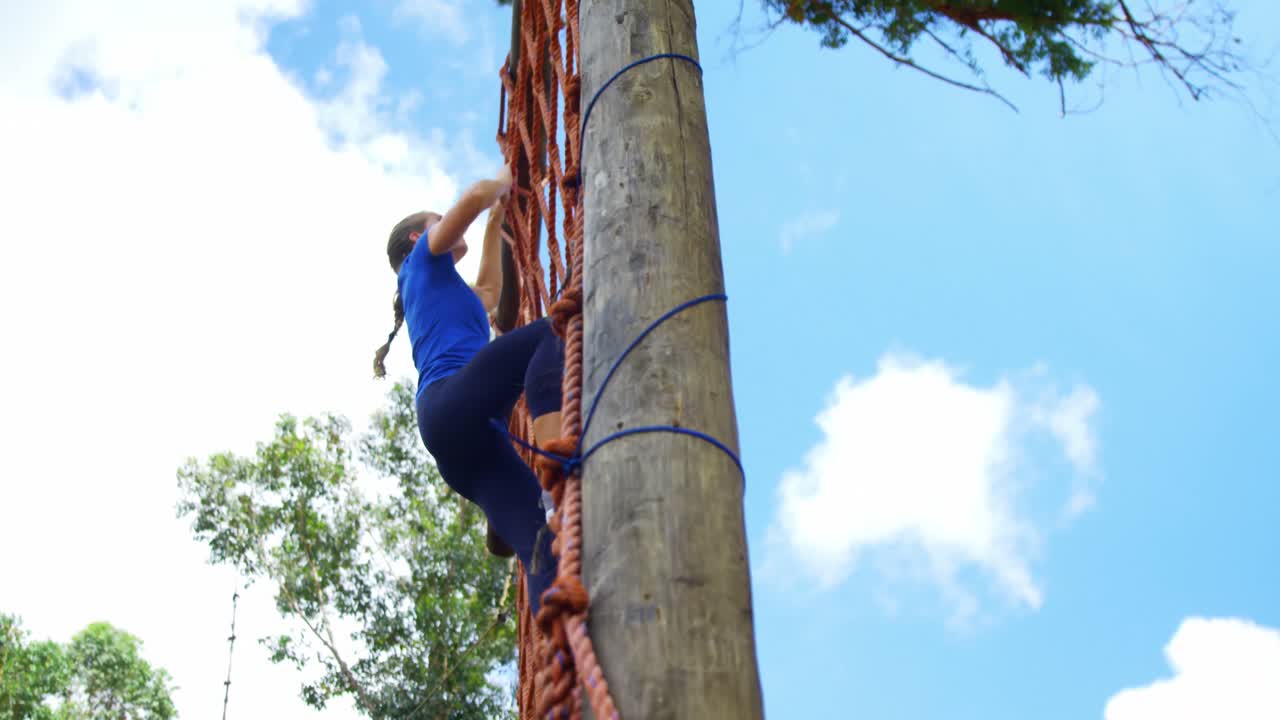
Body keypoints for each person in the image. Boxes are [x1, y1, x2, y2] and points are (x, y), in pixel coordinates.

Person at [373, 166, 561, 614]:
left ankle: (563, 655)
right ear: (420, 239)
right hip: (453, 401)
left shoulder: (445, 289)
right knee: (551, 334)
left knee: (541, 541)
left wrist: (497, 222)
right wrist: (505, 180)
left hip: (455, 438)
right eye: (438, 220)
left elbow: (491, 292)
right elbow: (476, 194)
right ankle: (561, 471)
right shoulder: (421, 262)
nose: (445, 224)